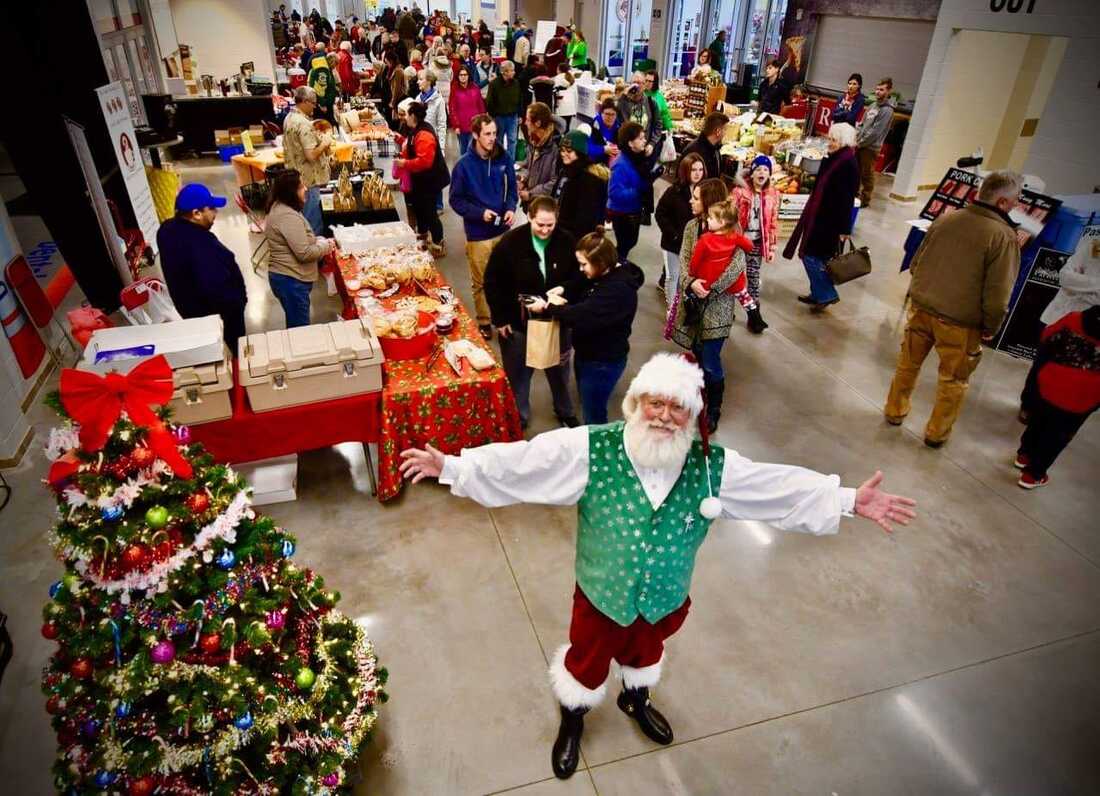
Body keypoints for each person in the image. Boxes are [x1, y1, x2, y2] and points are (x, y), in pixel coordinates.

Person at [398, 351, 916, 781]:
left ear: (693, 417)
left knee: (646, 651)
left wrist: (847, 500)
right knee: (587, 659)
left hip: (665, 595)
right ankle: (574, 715)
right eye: (655, 404)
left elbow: (773, 487)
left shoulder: (712, 468)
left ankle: (635, 699)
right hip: (602, 593)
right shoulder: (592, 449)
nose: (665, 416)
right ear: (635, 404)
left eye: (678, 408)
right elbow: (526, 463)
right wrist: (455, 467)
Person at [883, 170, 1023, 448]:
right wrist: (992, 326)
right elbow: (998, 293)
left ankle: (894, 410)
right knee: (953, 380)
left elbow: (916, 262)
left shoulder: (946, 218)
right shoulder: (1003, 237)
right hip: (961, 323)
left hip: (921, 308)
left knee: (907, 364)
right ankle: (936, 433)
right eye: (1017, 200)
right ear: (1003, 203)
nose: (1018, 205)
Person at [483, 196, 581, 429]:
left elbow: (579, 276)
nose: (545, 230)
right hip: (519, 323)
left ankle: (565, 410)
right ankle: (519, 416)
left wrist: (565, 290)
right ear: (529, 217)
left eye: (550, 225)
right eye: (540, 225)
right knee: (518, 374)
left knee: (559, 371)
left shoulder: (567, 241)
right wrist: (500, 318)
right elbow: (492, 281)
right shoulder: (510, 243)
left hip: (556, 321)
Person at [527, 229, 641, 424]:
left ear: (601, 262)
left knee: (593, 414)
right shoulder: (607, 272)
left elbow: (580, 315)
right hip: (589, 354)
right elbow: (583, 282)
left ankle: (595, 448)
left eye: (583, 264)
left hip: (601, 362)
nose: (581, 269)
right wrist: (565, 288)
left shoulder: (616, 290)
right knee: (588, 402)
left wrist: (547, 307)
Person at [674, 198, 757, 431]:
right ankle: (700, 396)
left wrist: (710, 289)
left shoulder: (733, 237)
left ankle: (713, 408)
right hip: (695, 303)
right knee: (698, 351)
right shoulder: (693, 229)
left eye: (698, 198)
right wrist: (691, 282)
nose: (692, 200)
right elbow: (686, 262)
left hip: (717, 306)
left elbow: (736, 267)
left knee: (711, 360)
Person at [1014, 306, 1100, 489]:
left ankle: (1024, 455)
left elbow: (1047, 337)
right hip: (1083, 397)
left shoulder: (1074, 319)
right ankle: (1033, 474)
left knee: (1038, 420)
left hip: (1050, 383)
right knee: (1058, 436)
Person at [449, 114, 518, 339]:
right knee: (480, 281)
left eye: (495, 134)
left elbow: (513, 190)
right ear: (476, 135)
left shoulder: (504, 157)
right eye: (487, 134)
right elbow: (456, 200)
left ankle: (504, 317)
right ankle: (484, 320)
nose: (492, 138)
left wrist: (510, 208)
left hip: (502, 231)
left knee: (505, 277)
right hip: (478, 233)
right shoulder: (463, 166)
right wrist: (480, 214)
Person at [1019, 234, 1100, 422]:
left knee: (1076, 376)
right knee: (1041, 365)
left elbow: (1074, 284)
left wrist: (1082, 284)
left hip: (1092, 329)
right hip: (1062, 319)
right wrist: (1095, 287)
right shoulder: (1094, 243)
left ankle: (1052, 415)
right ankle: (1028, 405)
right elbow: (1065, 277)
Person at [157, 184, 247, 352]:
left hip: (190, 313)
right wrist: (238, 303)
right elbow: (216, 287)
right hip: (218, 320)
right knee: (232, 356)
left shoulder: (166, 230)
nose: (216, 212)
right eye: (211, 208)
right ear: (196, 214)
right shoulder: (202, 245)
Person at [782, 122, 859, 312]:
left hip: (829, 221)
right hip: (820, 217)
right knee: (817, 257)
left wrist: (844, 229)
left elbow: (846, 199)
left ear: (844, 142)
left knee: (811, 256)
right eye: (830, 138)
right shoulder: (835, 158)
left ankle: (826, 294)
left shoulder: (848, 164)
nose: (830, 142)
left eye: (834, 140)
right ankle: (817, 293)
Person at [263, 169, 335, 328]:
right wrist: (325, 246)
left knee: (296, 324)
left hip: (290, 279)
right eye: (302, 187)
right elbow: (304, 253)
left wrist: (317, 239)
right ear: (291, 192)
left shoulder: (283, 208)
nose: (306, 189)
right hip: (291, 281)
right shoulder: (287, 216)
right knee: (299, 330)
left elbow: (300, 239)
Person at [731, 155, 780, 333]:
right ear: (751, 173)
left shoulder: (773, 194)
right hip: (739, 241)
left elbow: (773, 222)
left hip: (757, 243)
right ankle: (727, 310)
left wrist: (772, 247)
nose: (762, 173)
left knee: (752, 277)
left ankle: (754, 315)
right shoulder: (739, 192)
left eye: (766, 170)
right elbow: (729, 216)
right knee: (732, 275)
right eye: (758, 169)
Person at [395, 101, 450, 257]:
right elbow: (410, 145)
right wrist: (399, 139)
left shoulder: (424, 134)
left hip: (429, 181)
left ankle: (438, 243)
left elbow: (425, 162)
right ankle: (423, 238)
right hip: (421, 181)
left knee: (430, 213)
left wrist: (404, 163)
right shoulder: (415, 130)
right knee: (420, 210)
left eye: (406, 114)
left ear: (413, 116)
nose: (404, 118)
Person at [655, 153, 706, 306]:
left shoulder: (705, 192)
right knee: (673, 276)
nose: (698, 173)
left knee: (687, 277)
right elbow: (660, 214)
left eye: (700, 169)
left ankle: (683, 305)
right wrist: (674, 235)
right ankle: (672, 309)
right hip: (673, 244)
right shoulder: (673, 191)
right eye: (693, 170)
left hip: (695, 245)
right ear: (685, 171)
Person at [282, 86, 334, 235]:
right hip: (309, 180)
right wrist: (325, 142)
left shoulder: (289, 118)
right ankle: (315, 255)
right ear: (304, 101)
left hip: (296, 176)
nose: (315, 106)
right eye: (313, 102)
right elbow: (311, 155)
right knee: (313, 223)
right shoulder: (303, 124)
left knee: (303, 219)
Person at [607, 122, 659, 266]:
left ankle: (618, 262)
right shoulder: (621, 164)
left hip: (634, 209)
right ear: (630, 143)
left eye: (644, 138)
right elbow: (615, 193)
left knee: (631, 241)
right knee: (626, 243)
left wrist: (651, 176)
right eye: (641, 138)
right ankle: (615, 266)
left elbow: (641, 179)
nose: (644, 141)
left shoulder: (637, 158)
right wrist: (639, 190)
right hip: (623, 213)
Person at [552, 130, 609, 241]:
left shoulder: (590, 180)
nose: (564, 154)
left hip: (574, 239)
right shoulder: (565, 171)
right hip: (558, 231)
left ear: (580, 152)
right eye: (562, 150)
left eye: (569, 151)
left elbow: (585, 219)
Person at [854, 77, 895, 208]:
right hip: (860, 143)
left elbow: (875, 132)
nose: (878, 92)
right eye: (877, 89)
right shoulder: (872, 105)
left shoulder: (887, 110)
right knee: (856, 171)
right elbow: (862, 123)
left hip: (871, 148)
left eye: (882, 90)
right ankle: (853, 195)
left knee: (867, 174)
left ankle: (865, 199)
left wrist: (860, 143)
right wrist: (857, 137)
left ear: (888, 91)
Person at [520, 102, 564, 203]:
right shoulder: (533, 140)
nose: (525, 123)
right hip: (532, 202)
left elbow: (555, 182)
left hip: (545, 206)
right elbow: (529, 166)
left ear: (538, 123)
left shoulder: (556, 148)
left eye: (527, 119)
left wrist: (531, 194)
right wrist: (524, 180)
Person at [487, 61, 522, 161]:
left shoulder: (516, 83)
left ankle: (510, 161)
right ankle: (499, 160)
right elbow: (490, 102)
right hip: (499, 117)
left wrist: (520, 114)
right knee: (498, 140)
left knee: (512, 140)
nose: (514, 72)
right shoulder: (494, 85)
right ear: (504, 72)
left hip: (513, 117)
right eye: (512, 71)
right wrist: (493, 116)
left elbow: (520, 99)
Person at [616, 76, 661, 155]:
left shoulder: (651, 102)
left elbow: (658, 124)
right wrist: (624, 95)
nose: (636, 86)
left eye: (639, 83)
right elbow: (615, 115)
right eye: (634, 82)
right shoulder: (624, 102)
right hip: (627, 150)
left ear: (644, 86)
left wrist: (652, 144)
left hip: (645, 149)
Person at [449, 64, 487, 153]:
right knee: (464, 150)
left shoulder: (475, 87)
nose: (463, 77)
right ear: (457, 76)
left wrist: (483, 121)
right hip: (461, 126)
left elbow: (480, 105)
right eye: (461, 75)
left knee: (474, 150)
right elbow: (452, 108)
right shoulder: (454, 89)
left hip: (475, 125)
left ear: (468, 75)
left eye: (465, 75)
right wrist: (456, 125)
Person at [681, 111, 728, 180]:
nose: (726, 133)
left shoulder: (714, 148)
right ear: (718, 131)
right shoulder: (695, 152)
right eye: (725, 130)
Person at [416, 70, 447, 143]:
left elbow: (441, 126)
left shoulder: (439, 101)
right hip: (419, 141)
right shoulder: (418, 99)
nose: (417, 82)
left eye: (420, 79)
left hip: (432, 142)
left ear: (429, 81)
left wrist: (441, 148)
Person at [588, 99, 621, 165]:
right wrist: (603, 149)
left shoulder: (619, 127)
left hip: (612, 164)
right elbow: (586, 148)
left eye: (613, 114)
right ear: (601, 113)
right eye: (607, 114)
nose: (610, 117)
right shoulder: (591, 127)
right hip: (594, 164)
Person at [554, 64, 578, 130]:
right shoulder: (572, 78)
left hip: (561, 106)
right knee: (567, 128)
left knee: (560, 128)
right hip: (571, 107)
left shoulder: (557, 78)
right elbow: (575, 95)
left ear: (559, 70)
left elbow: (555, 92)